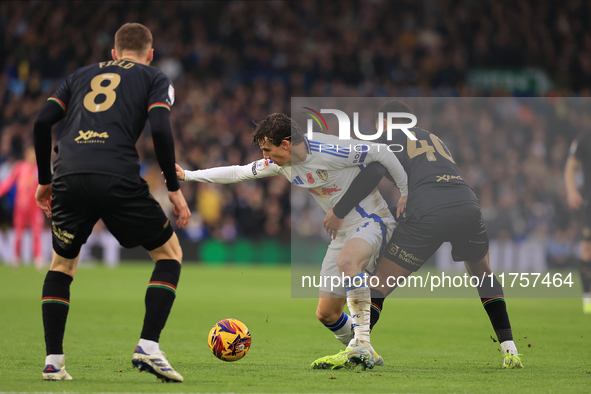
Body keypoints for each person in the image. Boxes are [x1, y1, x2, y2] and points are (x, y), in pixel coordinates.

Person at [175, 113, 408, 370]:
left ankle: (362, 343)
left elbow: (382, 152)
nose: (265, 157)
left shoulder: (329, 149)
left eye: (268, 150)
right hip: (342, 233)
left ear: (285, 144)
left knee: (348, 261)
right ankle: (365, 352)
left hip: (373, 220)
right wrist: (188, 175)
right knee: (327, 314)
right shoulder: (280, 163)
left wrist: (405, 191)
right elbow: (239, 172)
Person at [33, 23, 191, 382]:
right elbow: (161, 130)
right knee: (169, 255)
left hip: (68, 176)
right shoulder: (155, 78)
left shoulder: (78, 76)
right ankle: (148, 346)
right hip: (115, 175)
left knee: (61, 266)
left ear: (114, 53)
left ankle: (53, 362)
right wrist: (172, 187)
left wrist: (45, 180)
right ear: (149, 54)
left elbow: (42, 122)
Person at [315, 100, 523, 369]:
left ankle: (358, 347)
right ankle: (510, 349)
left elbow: (377, 170)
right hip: (467, 205)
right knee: (484, 275)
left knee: (378, 285)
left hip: (428, 211)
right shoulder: (433, 138)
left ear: (385, 122)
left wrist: (341, 210)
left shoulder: (389, 135)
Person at [0, 146, 45, 268]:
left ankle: (38, 258)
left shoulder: (39, 169)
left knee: (37, 233)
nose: (32, 157)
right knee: (18, 233)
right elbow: (9, 182)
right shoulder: (20, 167)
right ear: (26, 155)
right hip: (21, 207)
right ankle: (16, 258)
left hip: (35, 207)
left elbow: (46, 186)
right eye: (30, 154)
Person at [565, 134, 591, 314]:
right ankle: (588, 298)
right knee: (587, 250)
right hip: (589, 201)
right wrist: (572, 191)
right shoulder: (584, 140)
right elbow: (570, 166)